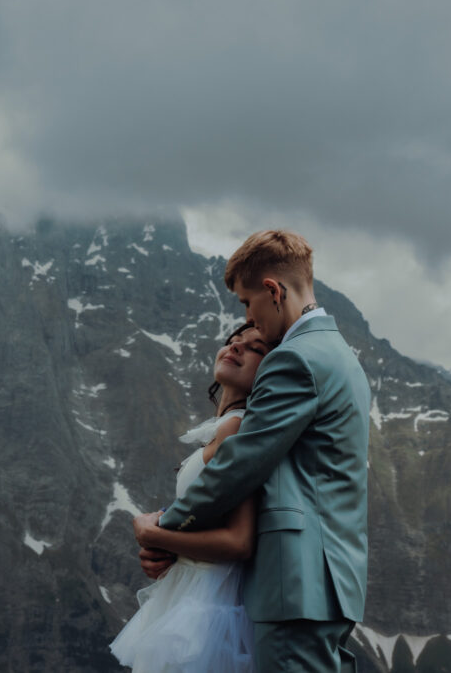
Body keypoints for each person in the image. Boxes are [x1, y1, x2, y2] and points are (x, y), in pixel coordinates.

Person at [148, 230, 370, 672]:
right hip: (328, 580)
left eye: (247, 303)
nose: (248, 318)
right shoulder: (342, 357)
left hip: (295, 583)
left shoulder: (296, 359)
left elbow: (240, 463)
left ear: (272, 290)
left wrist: (162, 532)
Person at [110, 322, 272, 672]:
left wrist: (154, 534)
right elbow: (208, 509)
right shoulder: (224, 426)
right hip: (192, 594)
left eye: (256, 348)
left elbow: (240, 542)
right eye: (232, 340)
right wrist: (164, 534)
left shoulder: (237, 428)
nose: (236, 347)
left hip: (208, 604)